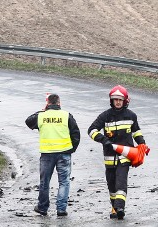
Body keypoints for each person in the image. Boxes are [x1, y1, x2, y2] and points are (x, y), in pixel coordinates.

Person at [88, 85, 148, 220]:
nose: (118, 102)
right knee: (112, 184)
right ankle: (114, 208)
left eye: (120, 100)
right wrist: (103, 140)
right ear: (111, 101)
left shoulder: (131, 115)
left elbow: (136, 132)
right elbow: (91, 130)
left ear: (125, 100)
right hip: (109, 157)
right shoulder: (105, 116)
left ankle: (120, 207)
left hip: (125, 156)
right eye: (115, 100)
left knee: (121, 182)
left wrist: (142, 144)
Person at [25, 93, 80, 217]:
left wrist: (43, 111)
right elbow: (76, 133)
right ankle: (61, 209)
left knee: (45, 182)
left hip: (47, 154)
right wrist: (72, 149)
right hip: (64, 153)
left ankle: (43, 208)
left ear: (48, 103)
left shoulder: (41, 116)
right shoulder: (66, 115)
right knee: (64, 182)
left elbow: (28, 121)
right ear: (59, 103)